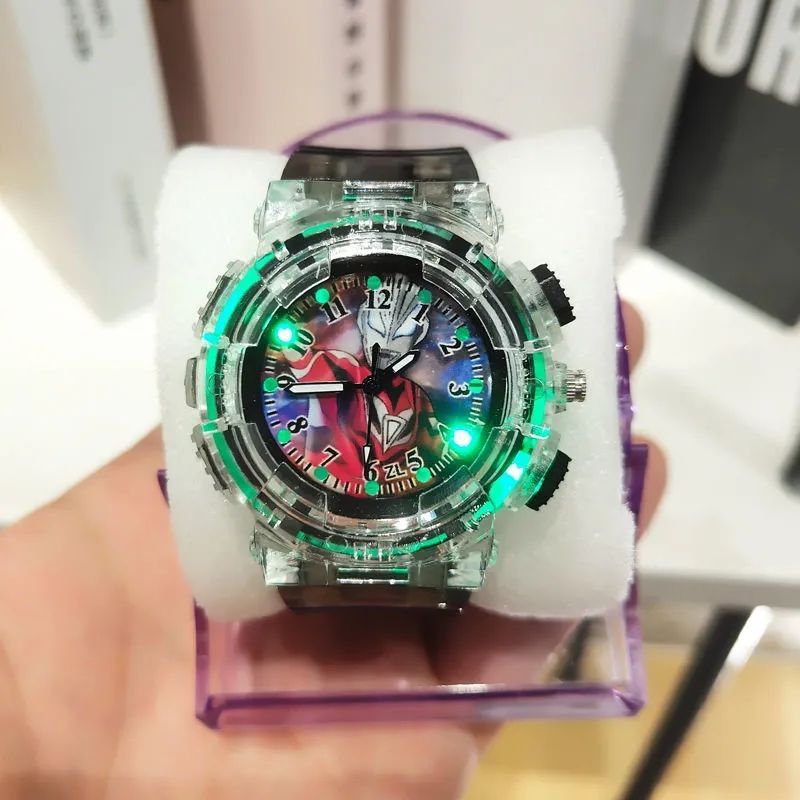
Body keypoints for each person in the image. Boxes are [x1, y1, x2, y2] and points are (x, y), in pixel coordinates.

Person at [0, 304, 665, 799]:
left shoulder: (421, 397)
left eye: (402, 347)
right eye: (375, 342)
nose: (384, 360)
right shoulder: (324, 372)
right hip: (316, 512)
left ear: (555, 386)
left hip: (423, 513)